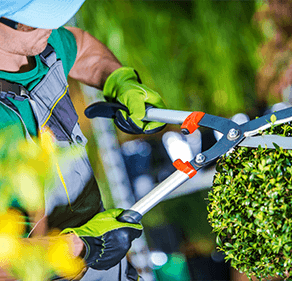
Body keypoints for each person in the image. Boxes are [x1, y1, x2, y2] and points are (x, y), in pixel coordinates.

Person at [0, 0, 166, 280]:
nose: (50, 27)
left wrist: (118, 80)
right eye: (32, 21)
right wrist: (78, 247)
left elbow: (81, 46)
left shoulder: (43, 47)